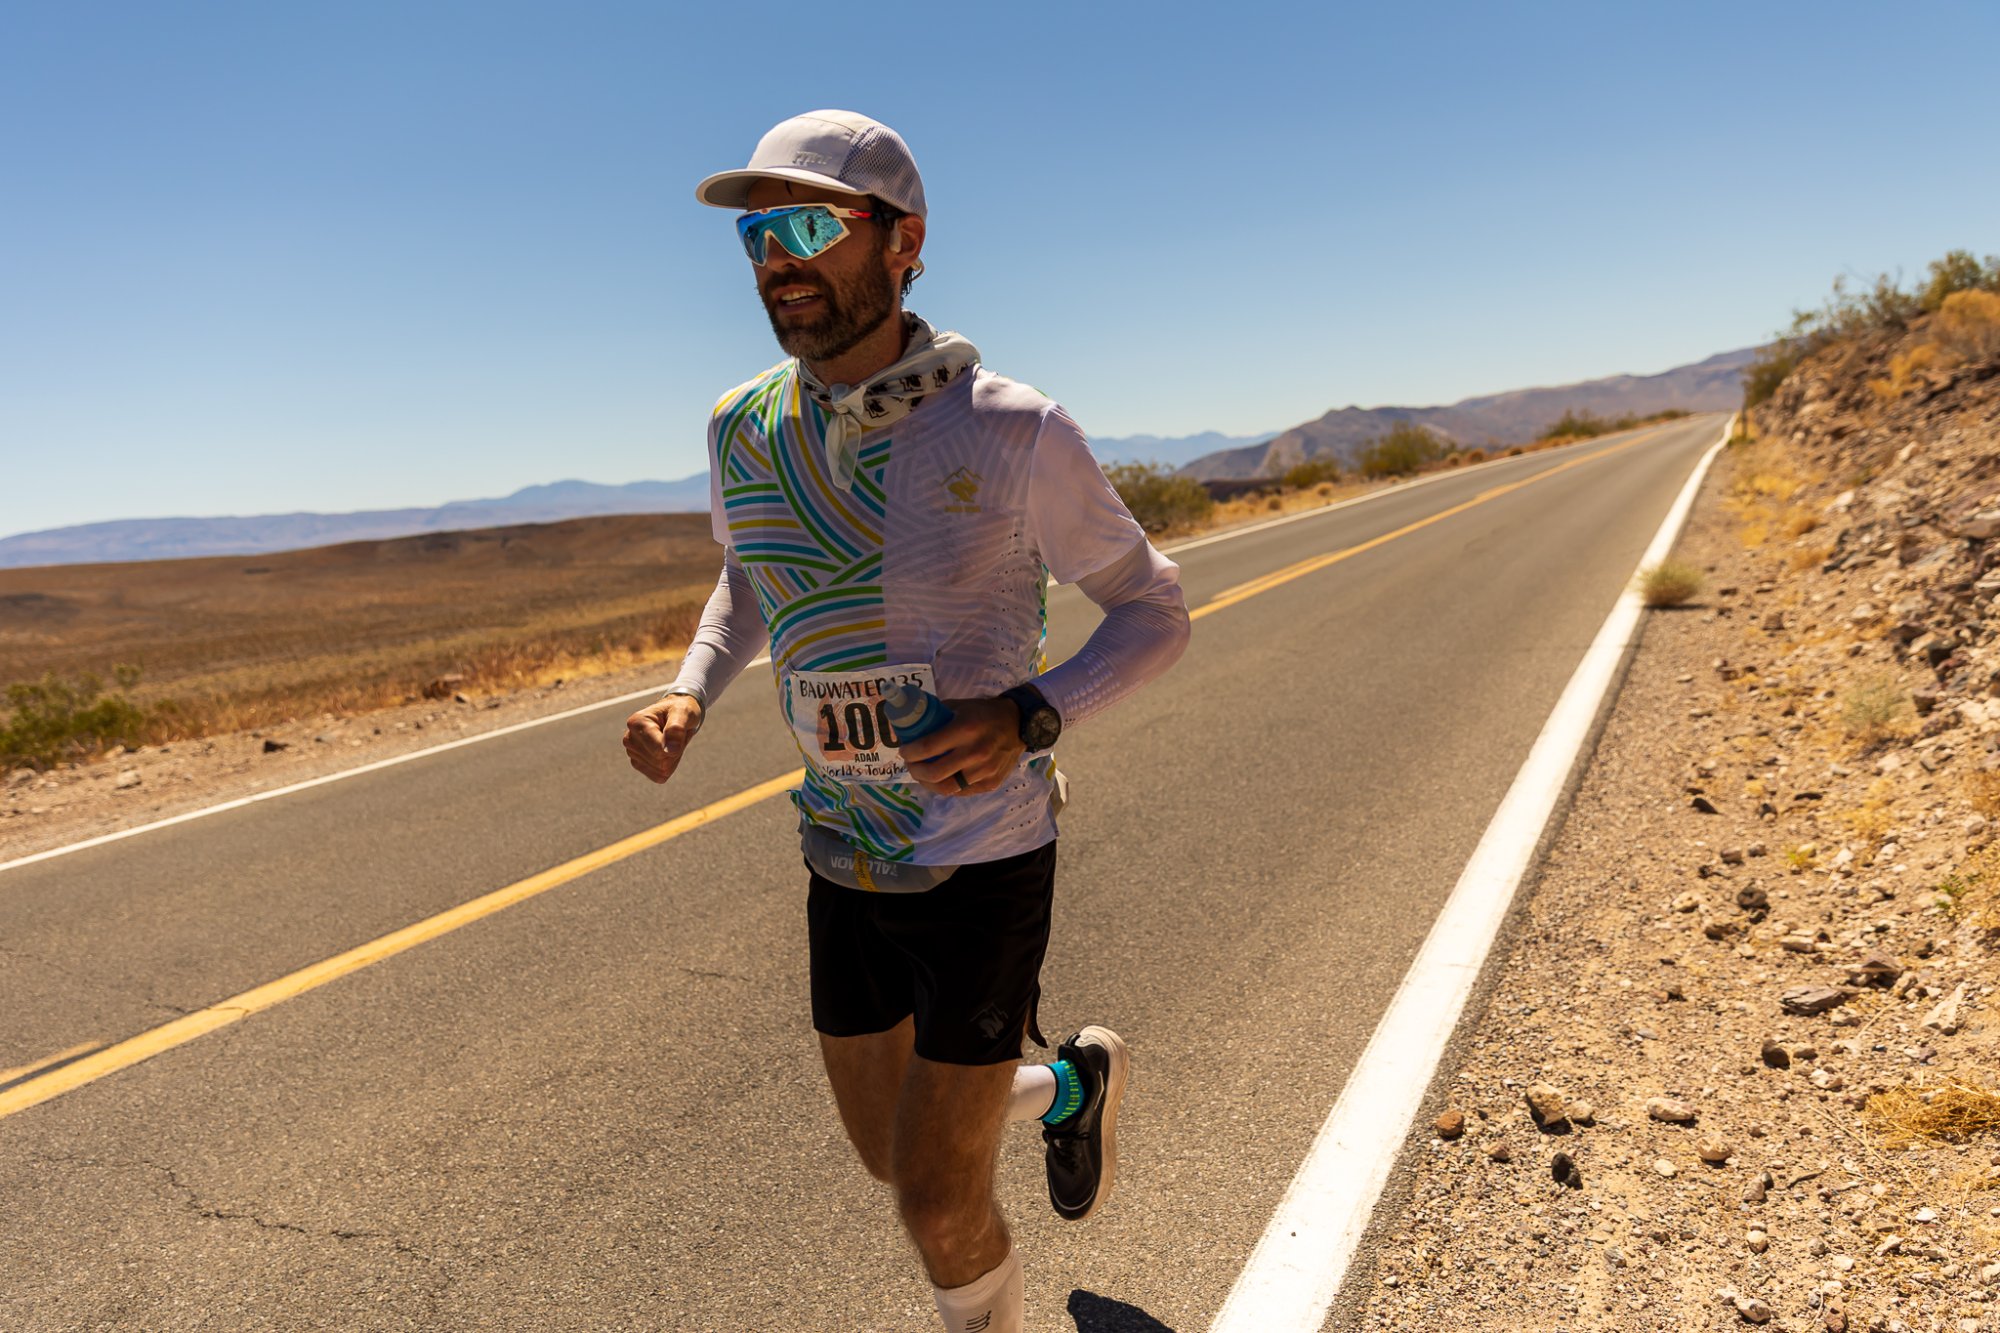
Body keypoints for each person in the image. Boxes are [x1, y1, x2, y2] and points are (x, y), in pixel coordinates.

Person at [622, 109, 1190, 1333]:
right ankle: (1066, 1086)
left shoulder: (1009, 426)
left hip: (983, 855)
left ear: (903, 243)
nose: (778, 256)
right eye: (758, 232)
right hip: (841, 849)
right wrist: (690, 686)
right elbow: (751, 576)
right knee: (894, 1154)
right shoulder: (740, 428)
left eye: (812, 224)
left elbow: (1154, 608)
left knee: (935, 1200)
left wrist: (1034, 712)